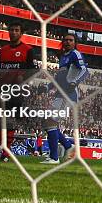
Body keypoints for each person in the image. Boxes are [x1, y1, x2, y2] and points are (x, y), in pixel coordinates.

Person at [0, 21, 36, 162]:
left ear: (21, 33)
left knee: (9, 121)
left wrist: (23, 79)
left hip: (16, 90)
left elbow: (32, 71)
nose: (13, 32)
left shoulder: (28, 50)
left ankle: (5, 152)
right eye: (11, 30)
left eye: (17, 30)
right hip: (1, 89)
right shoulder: (3, 50)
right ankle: (4, 149)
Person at [41, 33, 89, 164]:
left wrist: (75, 82)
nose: (67, 42)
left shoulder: (75, 54)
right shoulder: (63, 57)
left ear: (75, 42)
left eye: (71, 40)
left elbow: (85, 70)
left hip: (69, 95)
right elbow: (58, 78)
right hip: (60, 95)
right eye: (65, 40)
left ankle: (54, 157)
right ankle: (68, 146)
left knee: (51, 121)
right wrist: (47, 87)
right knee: (48, 122)